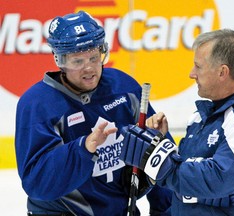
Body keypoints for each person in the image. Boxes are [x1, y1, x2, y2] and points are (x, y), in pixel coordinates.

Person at [15, 11, 172, 216]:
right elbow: (37, 182)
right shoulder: (37, 104)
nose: (89, 68)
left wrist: (165, 211)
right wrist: (84, 148)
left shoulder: (123, 87)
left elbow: (160, 156)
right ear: (59, 60)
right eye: (77, 61)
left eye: (94, 57)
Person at [120, 29, 234, 215]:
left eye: (198, 66)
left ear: (222, 72)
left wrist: (160, 163)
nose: (191, 74)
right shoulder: (201, 115)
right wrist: (161, 144)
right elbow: (188, 187)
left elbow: (219, 178)